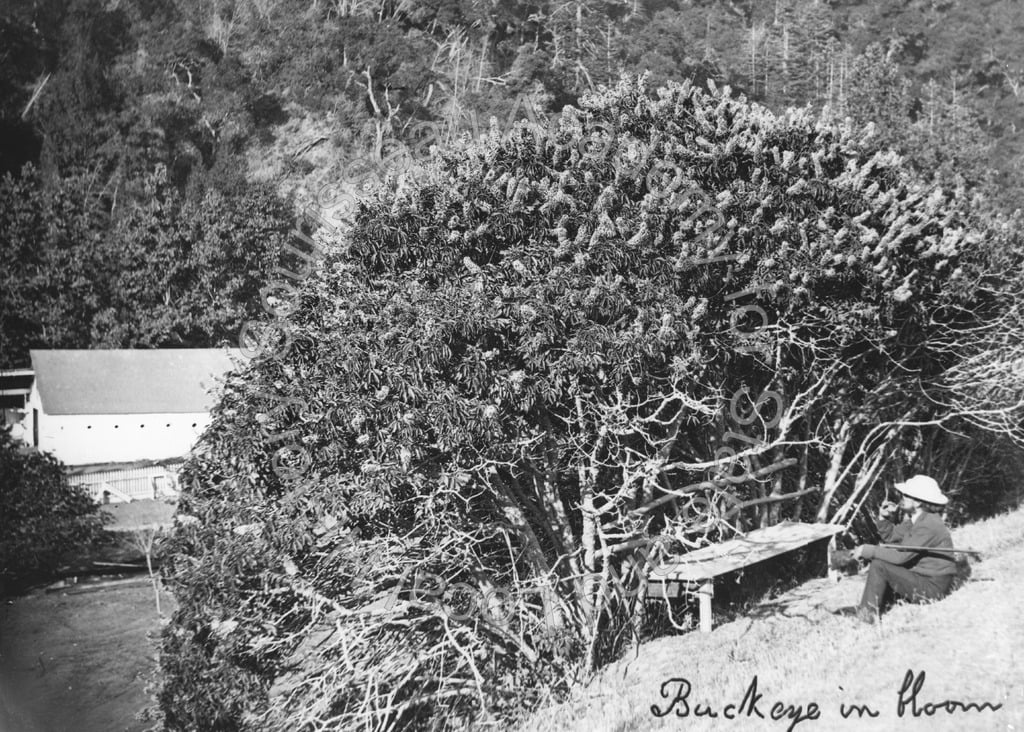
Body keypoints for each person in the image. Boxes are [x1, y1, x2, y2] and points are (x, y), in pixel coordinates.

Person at [851, 474, 958, 623]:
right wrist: (884, 518)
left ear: (918, 502)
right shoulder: (917, 520)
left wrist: (867, 550)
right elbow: (891, 536)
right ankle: (871, 606)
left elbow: (900, 558)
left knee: (879, 565)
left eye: (907, 495)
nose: (902, 497)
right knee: (883, 562)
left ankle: (866, 617)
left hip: (934, 587)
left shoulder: (928, 525)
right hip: (922, 577)